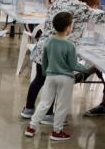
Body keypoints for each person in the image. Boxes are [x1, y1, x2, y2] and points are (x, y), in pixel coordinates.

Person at [25, 12, 93, 141]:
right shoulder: (70, 45)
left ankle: (31, 127)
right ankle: (57, 131)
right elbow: (73, 65)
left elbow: (44, 61)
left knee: (44, 103)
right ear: (68, 28)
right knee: (62, 105)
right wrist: (88, 69)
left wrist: (46, 73)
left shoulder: (49, 41)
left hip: (50, 76)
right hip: (66, 78)